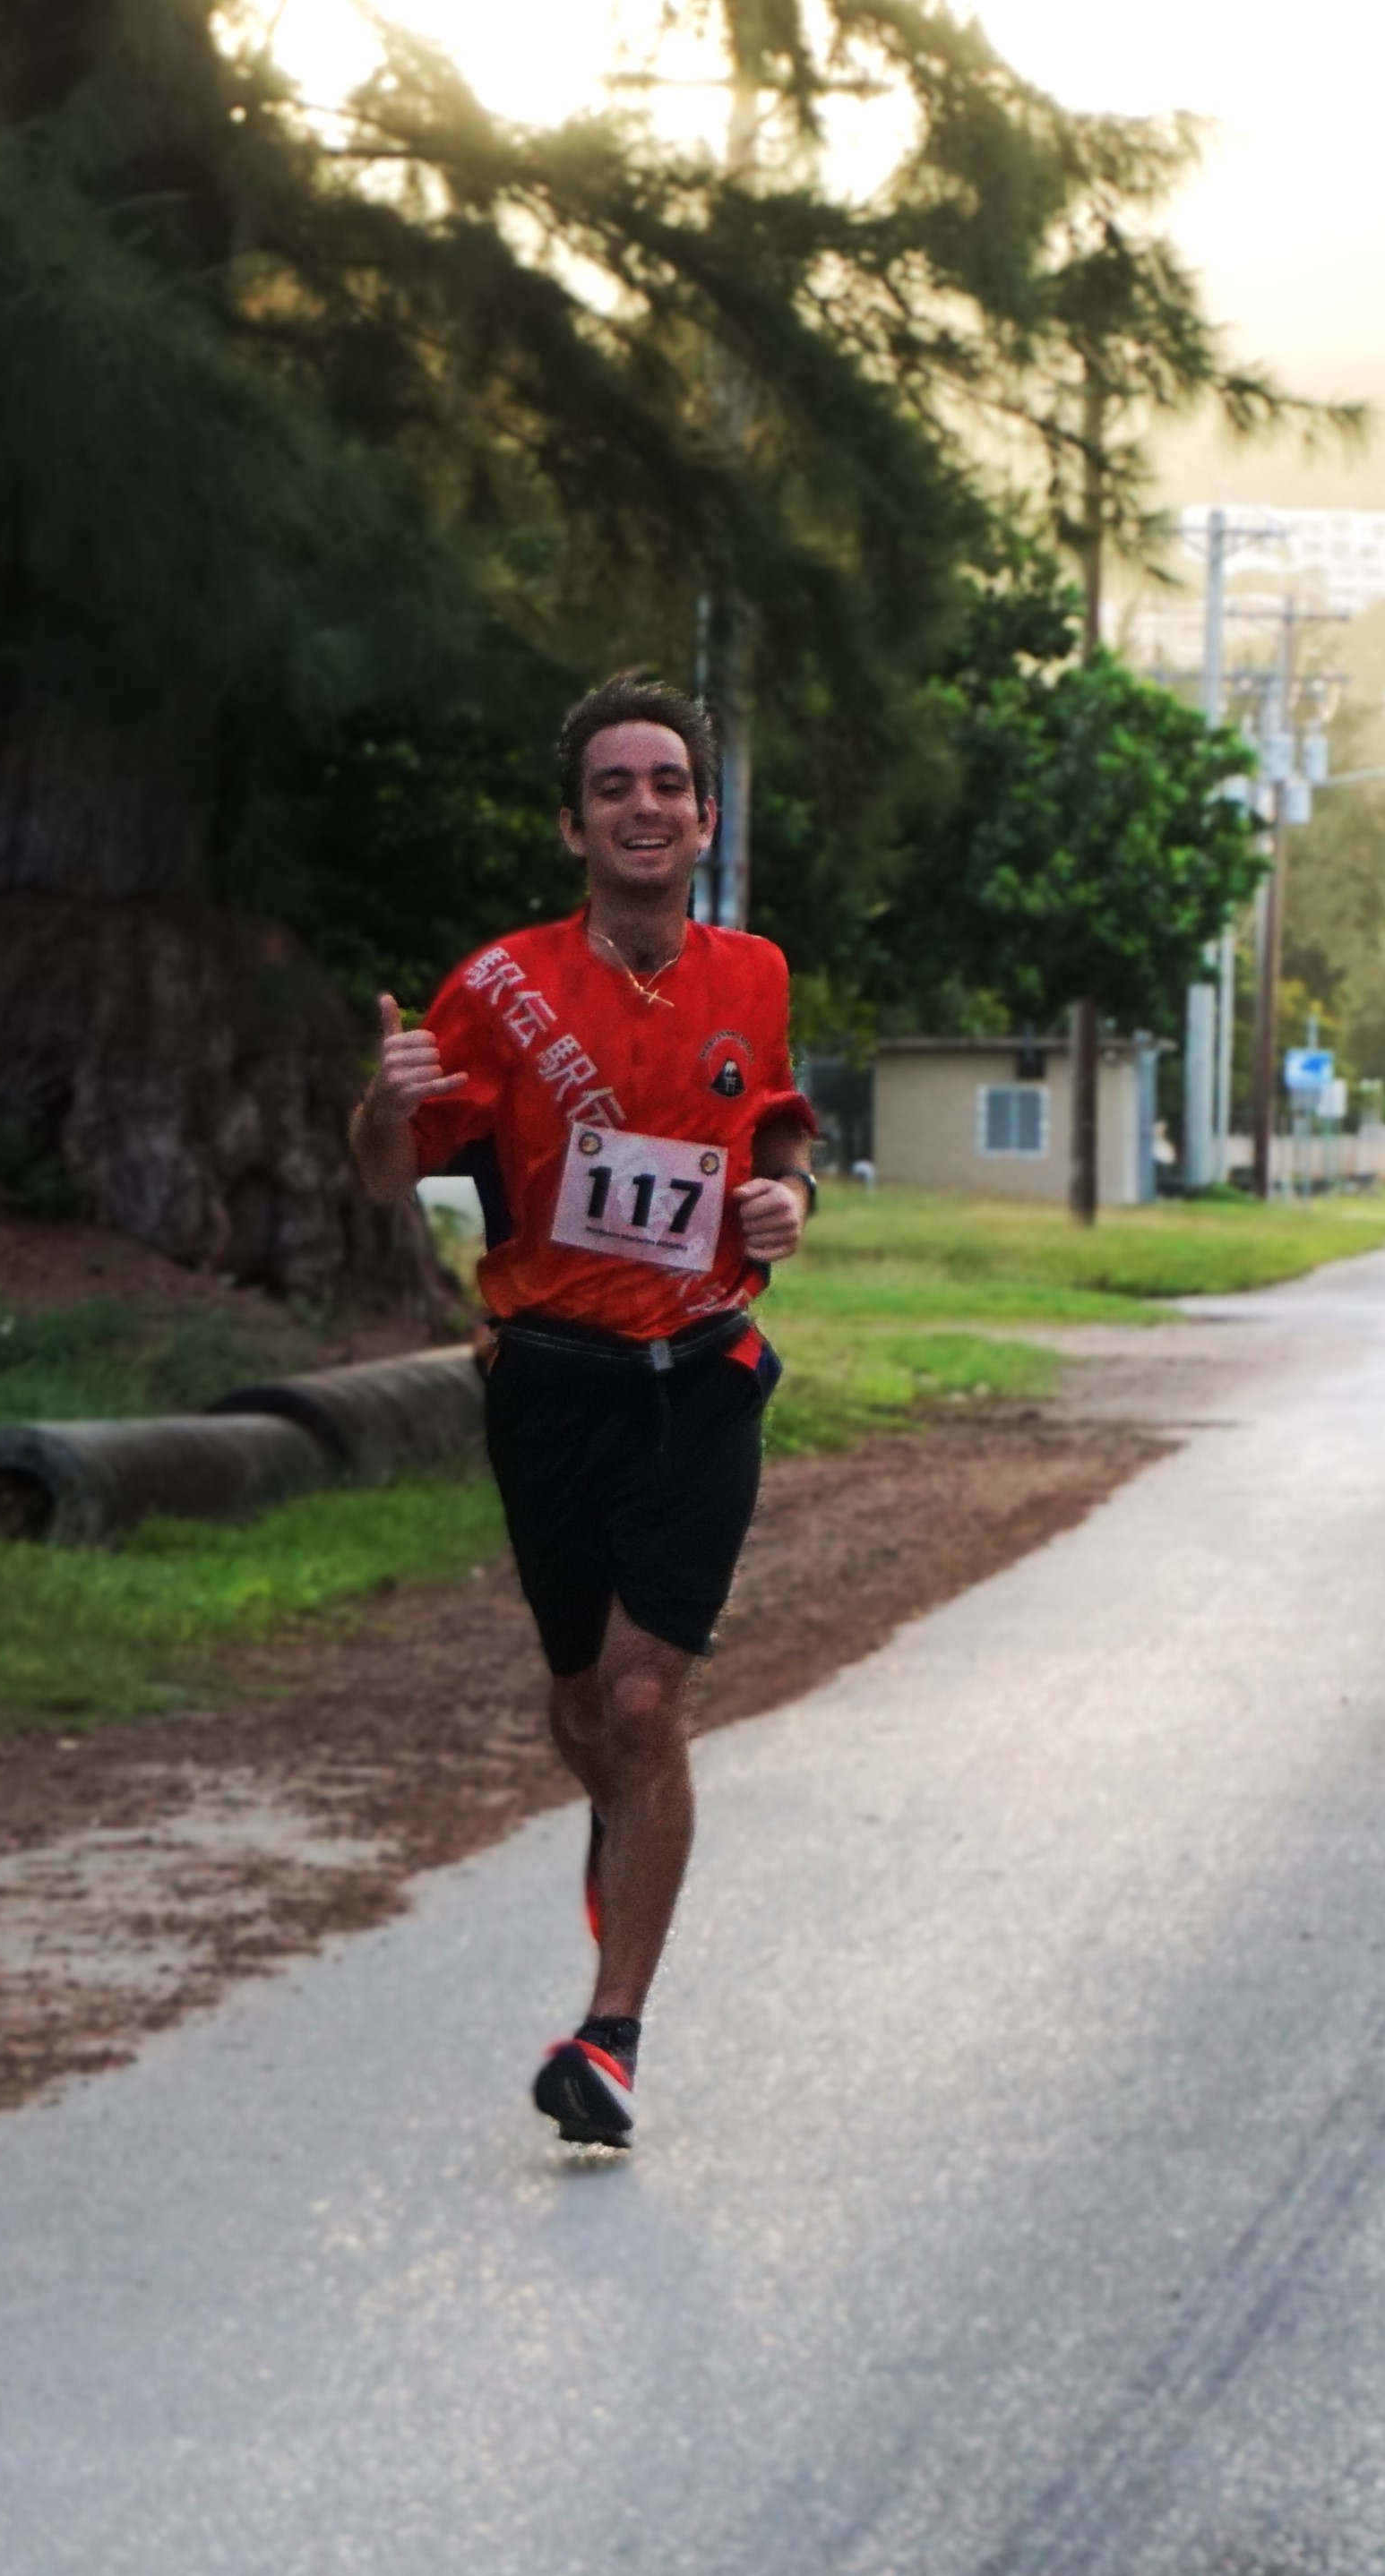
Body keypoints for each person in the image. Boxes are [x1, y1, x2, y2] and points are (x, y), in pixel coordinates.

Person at [349, 674, 815, 2149]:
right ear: (572, 824)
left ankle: (607, 2037)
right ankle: (626, 1803)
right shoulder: (493, 991)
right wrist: (384, 1098)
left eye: (667, 783)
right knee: (578, 1704)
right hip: (547, 1381)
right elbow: (384, 1175)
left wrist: (787, 1195)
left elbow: (782, 1124)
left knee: (637, 1698)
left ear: (704, 816)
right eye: (612, 786)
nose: (643, 806)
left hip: (702, 1376)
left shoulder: (754, 973)